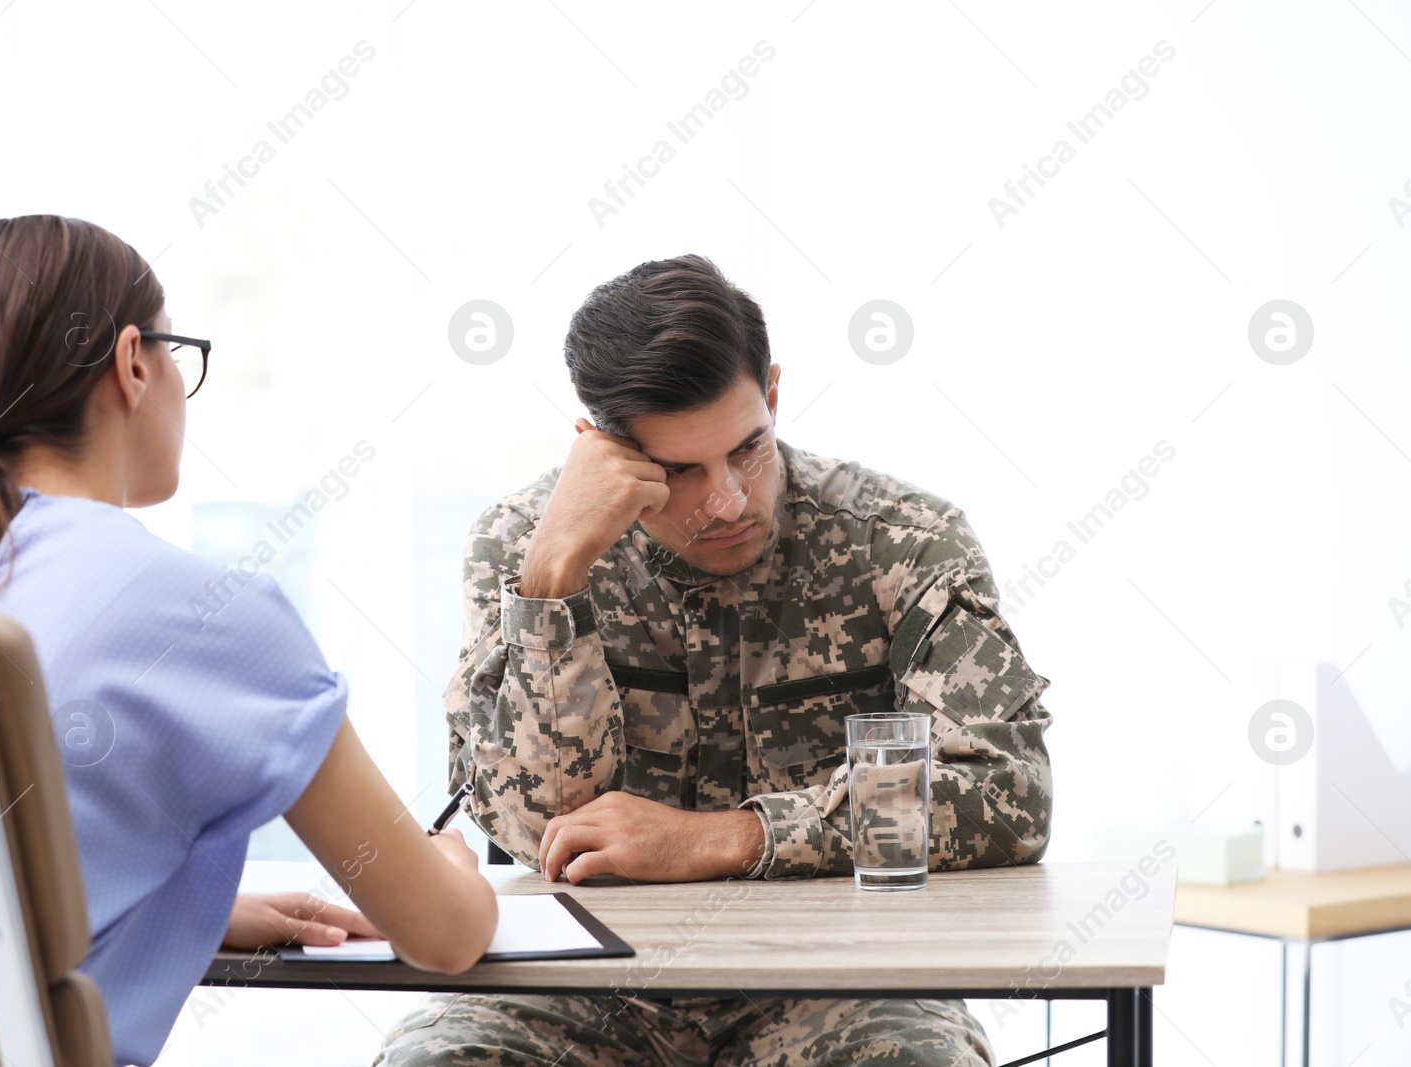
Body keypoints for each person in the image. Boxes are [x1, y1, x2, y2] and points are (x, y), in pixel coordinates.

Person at [377, 254, 1054, 1067]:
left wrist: (729, 837)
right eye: (679, 471)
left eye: (747, 449)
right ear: (603, 450)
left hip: (838, 983)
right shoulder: (523, 547)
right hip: (586, 986)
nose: (728, 499)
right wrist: (554, 582)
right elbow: (532, 828)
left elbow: (1009, 791)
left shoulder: (901, 540)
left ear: (771, 392)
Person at [0, 215, 498, 1067]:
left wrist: (174, 909)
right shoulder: (207, 613)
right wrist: (456, 864)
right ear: (133, 363)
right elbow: (444, 934)